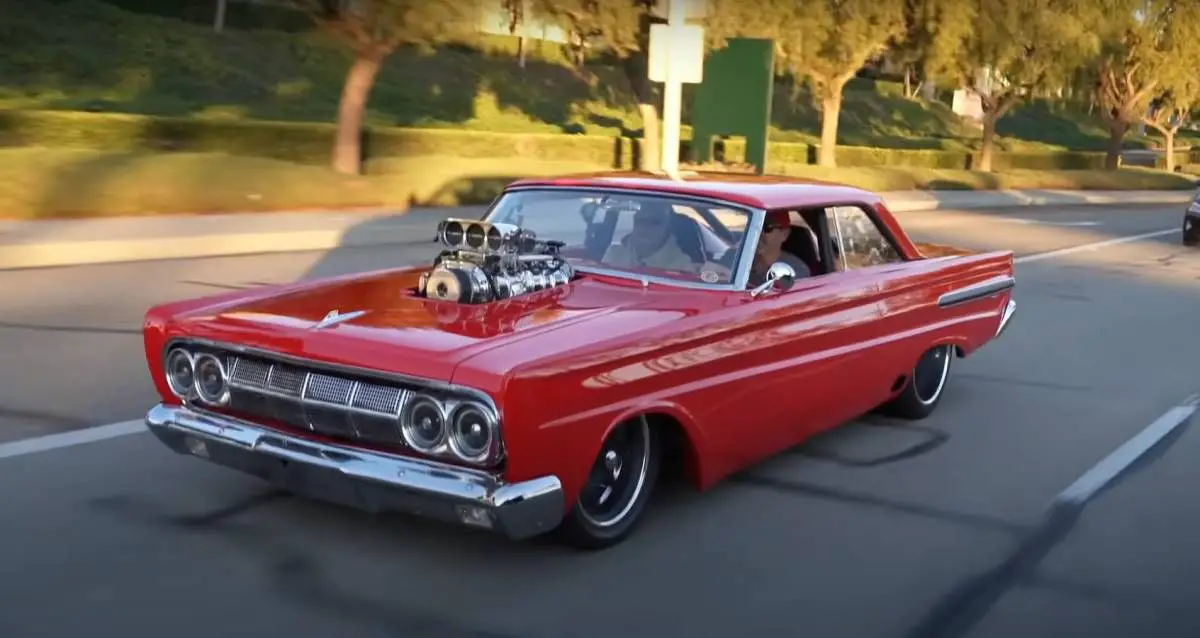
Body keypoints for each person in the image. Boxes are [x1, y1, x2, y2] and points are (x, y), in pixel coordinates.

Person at [602, 201, 697, 272]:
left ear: (667, 228)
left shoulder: (682, 265)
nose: (645, 227)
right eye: (640, 221)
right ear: (634, 224)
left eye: (654, 222)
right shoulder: (613, 254)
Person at [746, 210, 811, 288]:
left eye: (765, 227)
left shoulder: (795, 270)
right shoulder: (739, 260)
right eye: (753, 226)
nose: (757, 233)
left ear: (784, 234)